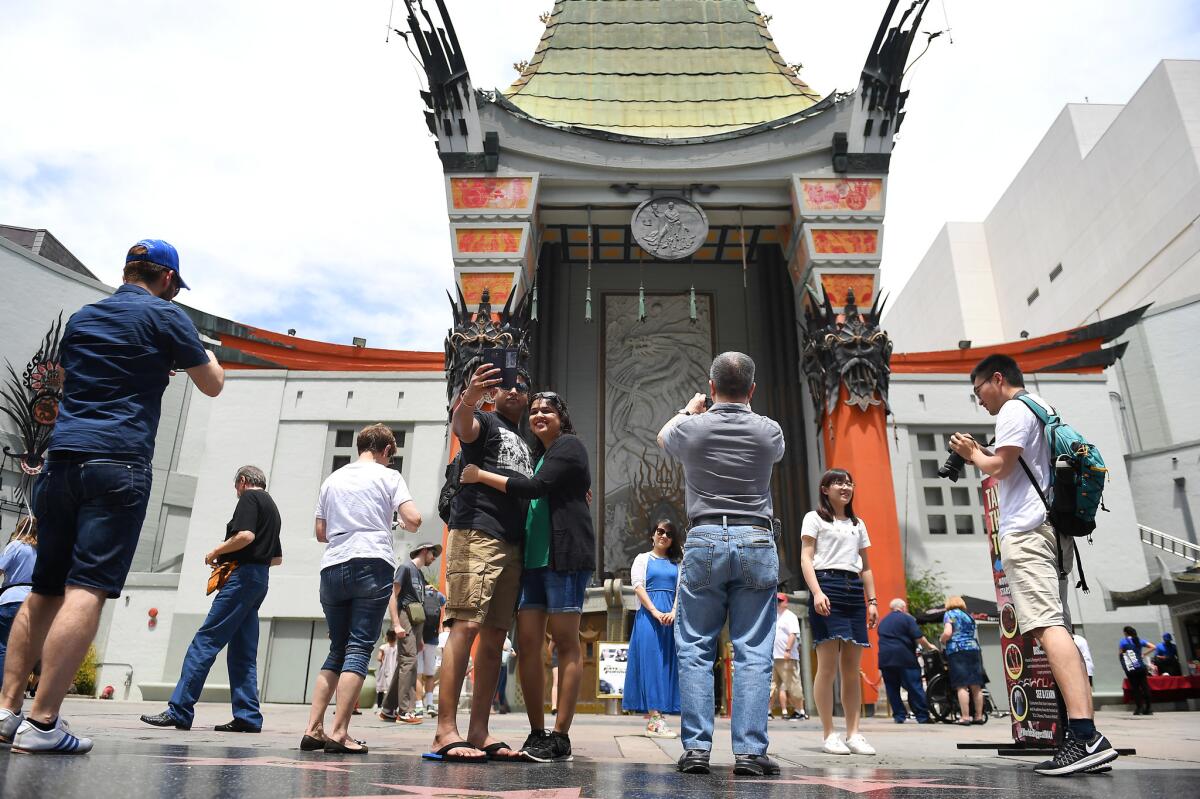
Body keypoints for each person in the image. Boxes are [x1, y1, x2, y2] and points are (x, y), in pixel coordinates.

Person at [0, 239, 224, 754]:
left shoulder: (84, 317)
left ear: (126, 271)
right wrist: (203, 353)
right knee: (88, 588)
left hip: (60, 462)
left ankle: (8, 711)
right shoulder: (167, 317)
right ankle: (44, 722)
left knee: (43, 588)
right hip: (117, 463)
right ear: (168, 280)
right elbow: (211, 384)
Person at [950, 354, 1119, 775]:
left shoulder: (1011, 409)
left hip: (1027, 533)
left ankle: (1084, 737)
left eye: (979, 392)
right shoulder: (1040, 405)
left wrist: (974, 453)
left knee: (1046, 626)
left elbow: (1000, 468)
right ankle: (1080, 734)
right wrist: (985, 452)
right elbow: (1022, 467)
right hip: (1053, 530)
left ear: (997, 379)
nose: (980, 402)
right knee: (1058, 625)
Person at [657, 351, 785, 777]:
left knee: (694, 646)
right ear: (752, 389)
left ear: (711, 389)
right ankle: (749, 753)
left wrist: (690, 410)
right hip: (755, 536)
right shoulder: (770, 432)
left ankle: (696, 750)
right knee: (753, 649)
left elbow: (663, 436)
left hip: (704, 536)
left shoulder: (691, 428)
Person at [461, 389, 594, 763]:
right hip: (532, 560)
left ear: (561, 417)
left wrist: (479, 475)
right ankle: (538, 732)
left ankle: (561, 734)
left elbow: (536, 488)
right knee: (529, 646)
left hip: (564, 556)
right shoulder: (540, 456)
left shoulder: (569, 446)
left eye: (547, 410)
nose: (538, 415)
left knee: (566, 642)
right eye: (534, 410)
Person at [429, 363, 532, 763]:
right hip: (477, 531)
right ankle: (444, 731)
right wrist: (470, 396)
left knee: (493, 639)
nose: (514, 391)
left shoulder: (524, 442)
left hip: (512, 542)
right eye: (506, 386)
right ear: (494, 394)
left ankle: (479, 730)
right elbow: (462, 425)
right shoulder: (486, 422)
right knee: (465, 625)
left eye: (521, 387)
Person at [302, 424, 421, 754]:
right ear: (385, 451)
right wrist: (393, 521)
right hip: (371, 561)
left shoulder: (333, 479)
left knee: (336, 649)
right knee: (358, 648)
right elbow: (413, 519)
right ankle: (339, 733)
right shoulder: (388, 477)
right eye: (391, 456)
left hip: (333, 564)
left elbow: (320, 532)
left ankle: (313, 729)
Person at [140, 465, 282, 732]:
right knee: (243, 652)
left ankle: (179, 710)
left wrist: (216, 552)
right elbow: (277, 558)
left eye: (235, 487)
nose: (236, 492)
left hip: (242, 579)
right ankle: (248, 716)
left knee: (205, 641)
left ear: (242, 481)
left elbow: (246, 535)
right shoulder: (272, 508)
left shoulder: (250, 498)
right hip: (260, 579)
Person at [800, 468, 878, 756]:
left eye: (848, 482)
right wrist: (817, 591)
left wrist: (872, 601)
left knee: (851, 669)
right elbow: (806, 558)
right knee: (828, 665)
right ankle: (829, 733)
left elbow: (866, 565)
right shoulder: (815, 518)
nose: (845, 487)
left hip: (853, 590)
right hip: (827, 585)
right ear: (825, 489)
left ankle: (854, 733)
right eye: (838, 483)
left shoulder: (858, 524)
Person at [624, 520, 682, 738]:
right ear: (652, 535)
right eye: (660, 531)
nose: (663, 536)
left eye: (668, 533)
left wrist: (674, 611)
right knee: (652, 664)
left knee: (667, 664)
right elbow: (638, 586)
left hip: (670, 619)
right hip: (648, 619)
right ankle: (655, 719)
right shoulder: (642, 559)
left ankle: (660, 716)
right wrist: (656, 612)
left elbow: (681, 589)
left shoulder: (678, 563)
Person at [379, 542, 440, 724]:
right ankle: (406, 711)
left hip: (416, 621)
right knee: (409, 663)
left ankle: (388, 709)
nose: (434, 557)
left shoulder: (419, 574)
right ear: (423, 550)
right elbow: (393, 594)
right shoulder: (405, 568)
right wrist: (396, 624)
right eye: (433, 553)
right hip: (405, 616)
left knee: (405, 663)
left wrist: (419, 638)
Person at [877, 598, 936, 724]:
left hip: (886, 659)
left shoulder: (883, 621)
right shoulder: (907, 619)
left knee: (892, 688)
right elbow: (919, 637)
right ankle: (922, 716)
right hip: (904, 658)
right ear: (903, 607)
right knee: (914, 686)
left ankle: (899, 716)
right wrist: (930, 646)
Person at [0, 518, 38, 681]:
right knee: (23, 650)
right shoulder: (42, 550)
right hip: (34, 601)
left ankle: (2, 691)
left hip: (11, 599)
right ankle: (15, 695)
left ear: (20, 528)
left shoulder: (15, 546)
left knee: (3, 647)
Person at [940, 596, 985, 725]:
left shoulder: (949, 614)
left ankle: (965, 717)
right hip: (973, 649)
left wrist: (942, 639)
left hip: (957, 650)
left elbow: (948, 632)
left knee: (962, 685)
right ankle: (978, 716)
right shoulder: (968, 616)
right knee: (976, 685)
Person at [769, 594, 807, 721]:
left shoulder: (790, 616)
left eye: (780, 601)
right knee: (771, 685)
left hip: (786, 657)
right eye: (777, 601)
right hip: (774, 656)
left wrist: (788, 650)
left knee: (793, 684)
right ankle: (768, 711)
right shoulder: (774, 616)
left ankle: (800, 710)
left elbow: (793, 634)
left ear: (786, 602)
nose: (778, 603)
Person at [415, 585, 445, 717]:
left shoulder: (419, 594)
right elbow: (444, 600)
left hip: (419, 639)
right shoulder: (437, 596)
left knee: (418, 675)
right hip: (432, 639)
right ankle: (430, 703)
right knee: (430, 674)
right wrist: (436, 591)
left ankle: (418, 705)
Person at [1119, 626, 1155, 715]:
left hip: (1131, 667)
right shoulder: (1139, 640)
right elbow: (1153, 647)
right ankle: (1148, 708)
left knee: (1135, 688)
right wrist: (1143, 654)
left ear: (1125, 633)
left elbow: (1121, 654)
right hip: (1141, 666)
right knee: (1145, 686)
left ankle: (1139, 708)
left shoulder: (1123, 641)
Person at [376, 630, 398, 709]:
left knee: (381, 688)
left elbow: (378, 658)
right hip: (394, 669)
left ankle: (379, 705)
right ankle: (391, 705)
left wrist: (383, 660)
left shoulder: (383, 647)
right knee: (392, 687)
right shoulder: (397, 647)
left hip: (385, 669)